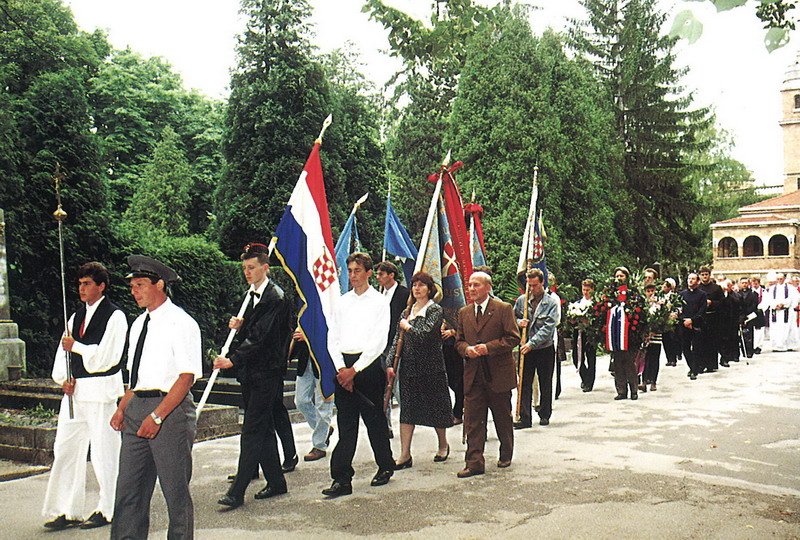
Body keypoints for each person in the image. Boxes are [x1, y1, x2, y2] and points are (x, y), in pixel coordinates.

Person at [111, 255, 202, 540]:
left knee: (175, 493)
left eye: (140, 285)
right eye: (132, 286)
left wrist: (157, 416)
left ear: (159, 284)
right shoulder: (138, 325)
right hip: (137, 408)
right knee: (128, 490)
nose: (134, 291)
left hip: (169, 411)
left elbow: (186, 377)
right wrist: (123, 407)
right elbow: (137, 377)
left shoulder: (182, 323)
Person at [42, 262, 127, 531]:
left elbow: (106, 358)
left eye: (87, 283)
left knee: (104, 452)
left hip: (101, 392)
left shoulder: (116, 317)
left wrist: (76, 346)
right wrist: (63, 379)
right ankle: (66, 509)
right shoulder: (75, 316)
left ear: (101, 286)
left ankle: (108, 507)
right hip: (76, 393)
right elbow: (62, 354)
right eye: (79, 284)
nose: (81, 288)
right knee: (65, 449)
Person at [216, 243, 293, 509]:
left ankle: (237, 491)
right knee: (263, 428)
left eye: (251, 268)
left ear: (265, 268)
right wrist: (240, 324)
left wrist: (232, 359)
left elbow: (261, 336)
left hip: (267, 372)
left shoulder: (275, 297)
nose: (247, 273)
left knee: (251, 428)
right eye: (244, 268)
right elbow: (253, 328)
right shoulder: (252, 294)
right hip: (253, 372)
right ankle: (276, 481)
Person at [323, 252, 394, 498]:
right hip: (344, 366)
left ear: (368, 273)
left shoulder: (379, 302)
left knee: (374, 421)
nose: (353, 275)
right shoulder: (342, 302)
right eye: (350, 271)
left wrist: (356, 370)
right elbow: (333, 337)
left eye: (357, 270)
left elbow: (378, 340)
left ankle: (385, 465)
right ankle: (341, 479)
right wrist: (343, 369)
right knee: (346, 425)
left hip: (369, 366)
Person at [455, 271, 521, 478]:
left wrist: (488, 348)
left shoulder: (503, 309)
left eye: (476, 285)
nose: (472, 289)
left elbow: (513, 338)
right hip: (473, 374)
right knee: (473, 419)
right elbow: (458, 340)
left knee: (502, 416)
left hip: (498, 374)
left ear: (487, 287)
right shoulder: (464, 312)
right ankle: (474, 462)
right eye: (470, 285)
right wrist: (466, 349)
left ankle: (506, 452)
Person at [386, 271, 452, 469]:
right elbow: (396, 340)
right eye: (414, 285)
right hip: (409, 368)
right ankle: (405, 454)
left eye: (422, 285)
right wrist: (390, 363)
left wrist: (407, 327)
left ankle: (443, 444)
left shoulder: (435, 310)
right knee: (407, 411)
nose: (417, 288)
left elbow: (424, 335)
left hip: (431, 366)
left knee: (436, 408)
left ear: (429, 289)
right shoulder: (406, 312)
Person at [514, 268, 559, 427]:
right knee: (525, 382)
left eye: (534, 285)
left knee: (544, 381)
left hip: (543, 348)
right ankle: (525, 417)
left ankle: (545, 413)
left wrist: (531, 344)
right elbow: (513, 318)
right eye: (529, 285)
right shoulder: (522, 301)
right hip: (526, 348)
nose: (532, 288)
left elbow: (547, 328)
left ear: (542, 283)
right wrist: (520, 323)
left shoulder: (551, 303)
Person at [376, 261, 410, 438]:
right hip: (380, 344)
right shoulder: (378, 295)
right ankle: (385, 424)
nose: (378, 277)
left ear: (391, 275)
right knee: (382, 386)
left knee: (396, 385)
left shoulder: (404, 294)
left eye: (381, 274)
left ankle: (406, 421)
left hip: (396, 345)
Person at [292, 328, 334, 462]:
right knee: (301, 401)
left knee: (323, 404)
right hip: (305, 361)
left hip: (324, 361)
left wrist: (309, 337)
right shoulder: (305, 309)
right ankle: (324, 430)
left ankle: (319, 446)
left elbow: (333, 332)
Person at [607, 267, 640, 401]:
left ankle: (633, 389)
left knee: (629, 362)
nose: (619, 278)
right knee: (617, 362)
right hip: (615, 334)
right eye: (617, 276)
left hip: (629, 333)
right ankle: (621, 390)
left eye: (621, 276)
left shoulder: (632, 292)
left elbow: (638, 309)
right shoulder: (611, 292)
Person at [571, 279, 598, 392]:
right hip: (579, 332)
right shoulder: (577, 304)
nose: (585, 292)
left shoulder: (595, 304)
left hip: (591, 333)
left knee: (591, 357)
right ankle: (584, 377)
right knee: (576, 357)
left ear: (592, 290)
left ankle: (589, 382)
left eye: (588, 290)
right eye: (584, 289)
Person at [679, 273, 707, 381]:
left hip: (697, 324)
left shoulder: (702, 294)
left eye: (693, 279)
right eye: (689, 278)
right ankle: (692, 367)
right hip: (684, 324)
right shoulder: (682, 294)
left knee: (696, 348)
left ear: (697, 281)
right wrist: (684, 320)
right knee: (685, 348)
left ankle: (694, 370)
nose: (690, 281)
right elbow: (678, 309)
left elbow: (702, 310)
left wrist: (692, 320)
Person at [698, 266, 723, 372]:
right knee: (701, 342)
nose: (704, 277)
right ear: (700, 276)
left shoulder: (716, 288)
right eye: (702, 275)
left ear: (709, 275)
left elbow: (723, 302)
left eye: (706, 274)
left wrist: (712, 303)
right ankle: (701, 364)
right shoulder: (697, 288)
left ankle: (712, 364)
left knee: (712, 342)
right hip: (701, 318)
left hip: (713, 317)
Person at [766, 273, 798, 352]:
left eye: (781, 279)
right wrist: (775, 305)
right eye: (778, 279)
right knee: (776, 329)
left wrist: (783, 304)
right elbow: (769, 299)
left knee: (787, 328)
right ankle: (776, 346)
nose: (780, 280)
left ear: (784, 279)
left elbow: (792, 298)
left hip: (786, 311)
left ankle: (787, 345)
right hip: (775, 312)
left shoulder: (790, 288)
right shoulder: (772, 289)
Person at [718, 279, 741, 367]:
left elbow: (738, 308)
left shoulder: (734, 296)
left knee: (731, 339)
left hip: (732, 321)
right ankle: (723, 356)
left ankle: (730, 357)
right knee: (722, 340)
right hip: (720, 321)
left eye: (729, 286)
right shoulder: (719, 296)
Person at [735, 276, 759, 359]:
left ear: (748, 284)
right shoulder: (737, 294)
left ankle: (749, 351)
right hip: (740, 316)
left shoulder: (753, 294)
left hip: (750, 316)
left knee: (749, 335)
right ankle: (743, 350)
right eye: (742, 283)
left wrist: (747, 315)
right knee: (741, 334)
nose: (744, 284)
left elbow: (754, 305)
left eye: (746, 283)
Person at [661, 279, 683, 367]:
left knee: (673, 339)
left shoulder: (674, 296)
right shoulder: (660, 296)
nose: (663, 288)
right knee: (665, 340)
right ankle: (668, 358)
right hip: (663, 320)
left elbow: (679, 306)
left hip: (673, 320)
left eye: (665, 286)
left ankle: (674, 358)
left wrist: (675, 313)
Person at [750, 276, 766, 354]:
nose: (755, 285)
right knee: (752, 330)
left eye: (756, 283)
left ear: (759, 283)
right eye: (753, 283)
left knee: (759, 330)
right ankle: (752, 346)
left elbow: (766, 301)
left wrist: (759, 308)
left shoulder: (763, 291)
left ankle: (758, 346)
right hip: (751, 313)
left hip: (759, 312)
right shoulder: (750, 292)